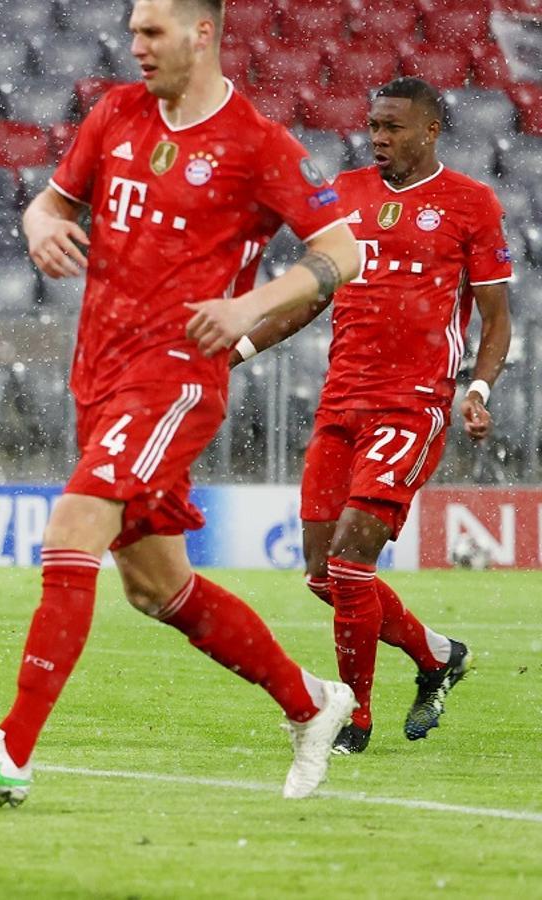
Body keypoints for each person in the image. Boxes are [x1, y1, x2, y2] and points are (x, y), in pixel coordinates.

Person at [0, 0, 362, 806]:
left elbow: (343, 250)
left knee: (74, 524)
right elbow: (51, 202)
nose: (136, 47)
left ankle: (11, 749)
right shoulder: (117, 112)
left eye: (152, 32)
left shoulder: (258, 146)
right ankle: (312, 700)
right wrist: (37, 225)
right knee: (156, 588)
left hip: (176, 379)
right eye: (132, 31)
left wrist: (248, 306)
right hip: (101, 375)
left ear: (203, 33)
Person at [230, 77, 508, 754]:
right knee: (323, 575)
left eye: (393, 128)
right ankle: (437, 654)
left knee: (353, 563)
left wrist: (479, 388)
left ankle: (353, 718)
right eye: (373, 127)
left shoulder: (471, 203)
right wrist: (236, 347)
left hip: (412, 405)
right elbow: (309, 298)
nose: (378, 139)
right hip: (341, 403)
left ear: (431, 130)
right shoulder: (346, 195)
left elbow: (497, 318)